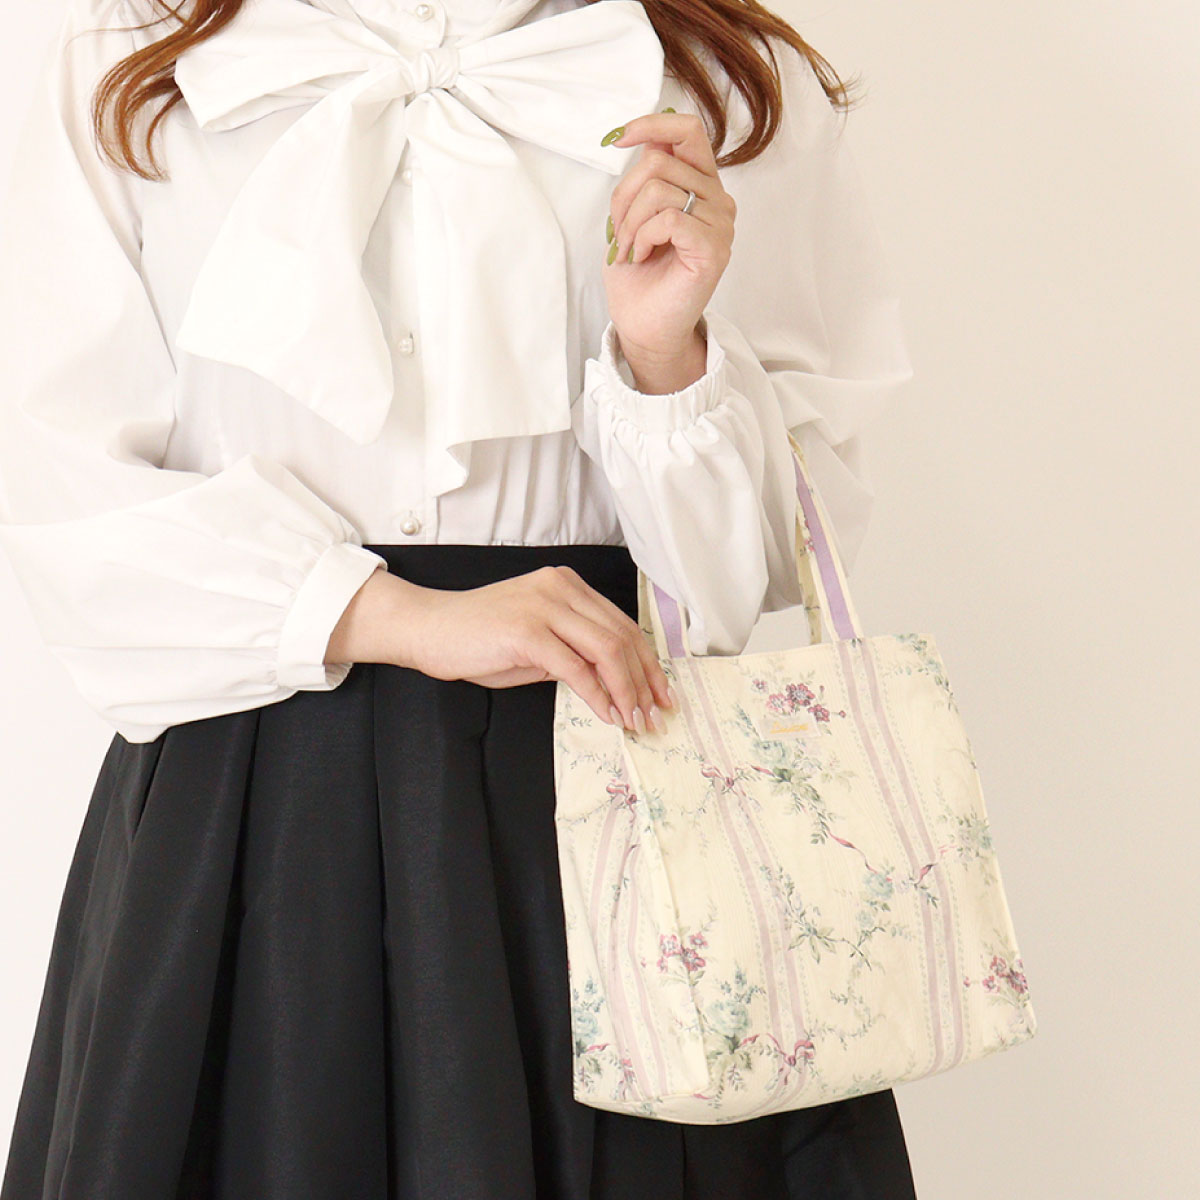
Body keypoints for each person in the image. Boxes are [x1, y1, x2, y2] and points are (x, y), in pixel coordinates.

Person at [0, 0, 919, 1195]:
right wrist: (398, 615)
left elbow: (764, 569)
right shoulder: (130, 54)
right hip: (255, 809)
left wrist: (665, 360)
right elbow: (58, 481)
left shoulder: (725, 81)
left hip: (609, 796)